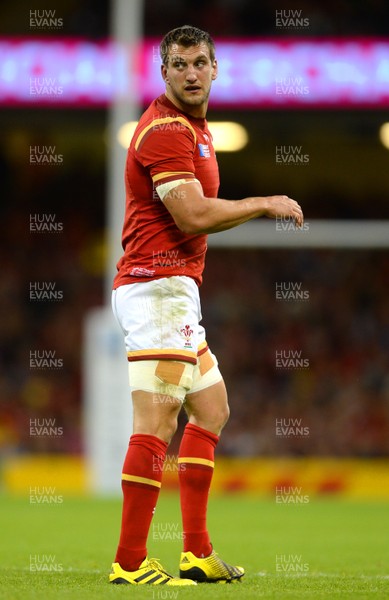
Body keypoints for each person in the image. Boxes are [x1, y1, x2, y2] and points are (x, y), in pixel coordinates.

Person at [109, 24, 304, 587]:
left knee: (212, 408)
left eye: (199, 63)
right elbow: (191, 216)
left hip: (176, 292)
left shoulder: (194, 128)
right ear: (163, 73)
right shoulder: (166, 130)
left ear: (215, 68)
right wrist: (264, 202)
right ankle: (128, 562)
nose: (191, 73)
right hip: (155, 286)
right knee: (157, 419)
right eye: (179, 64)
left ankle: (195, 552)